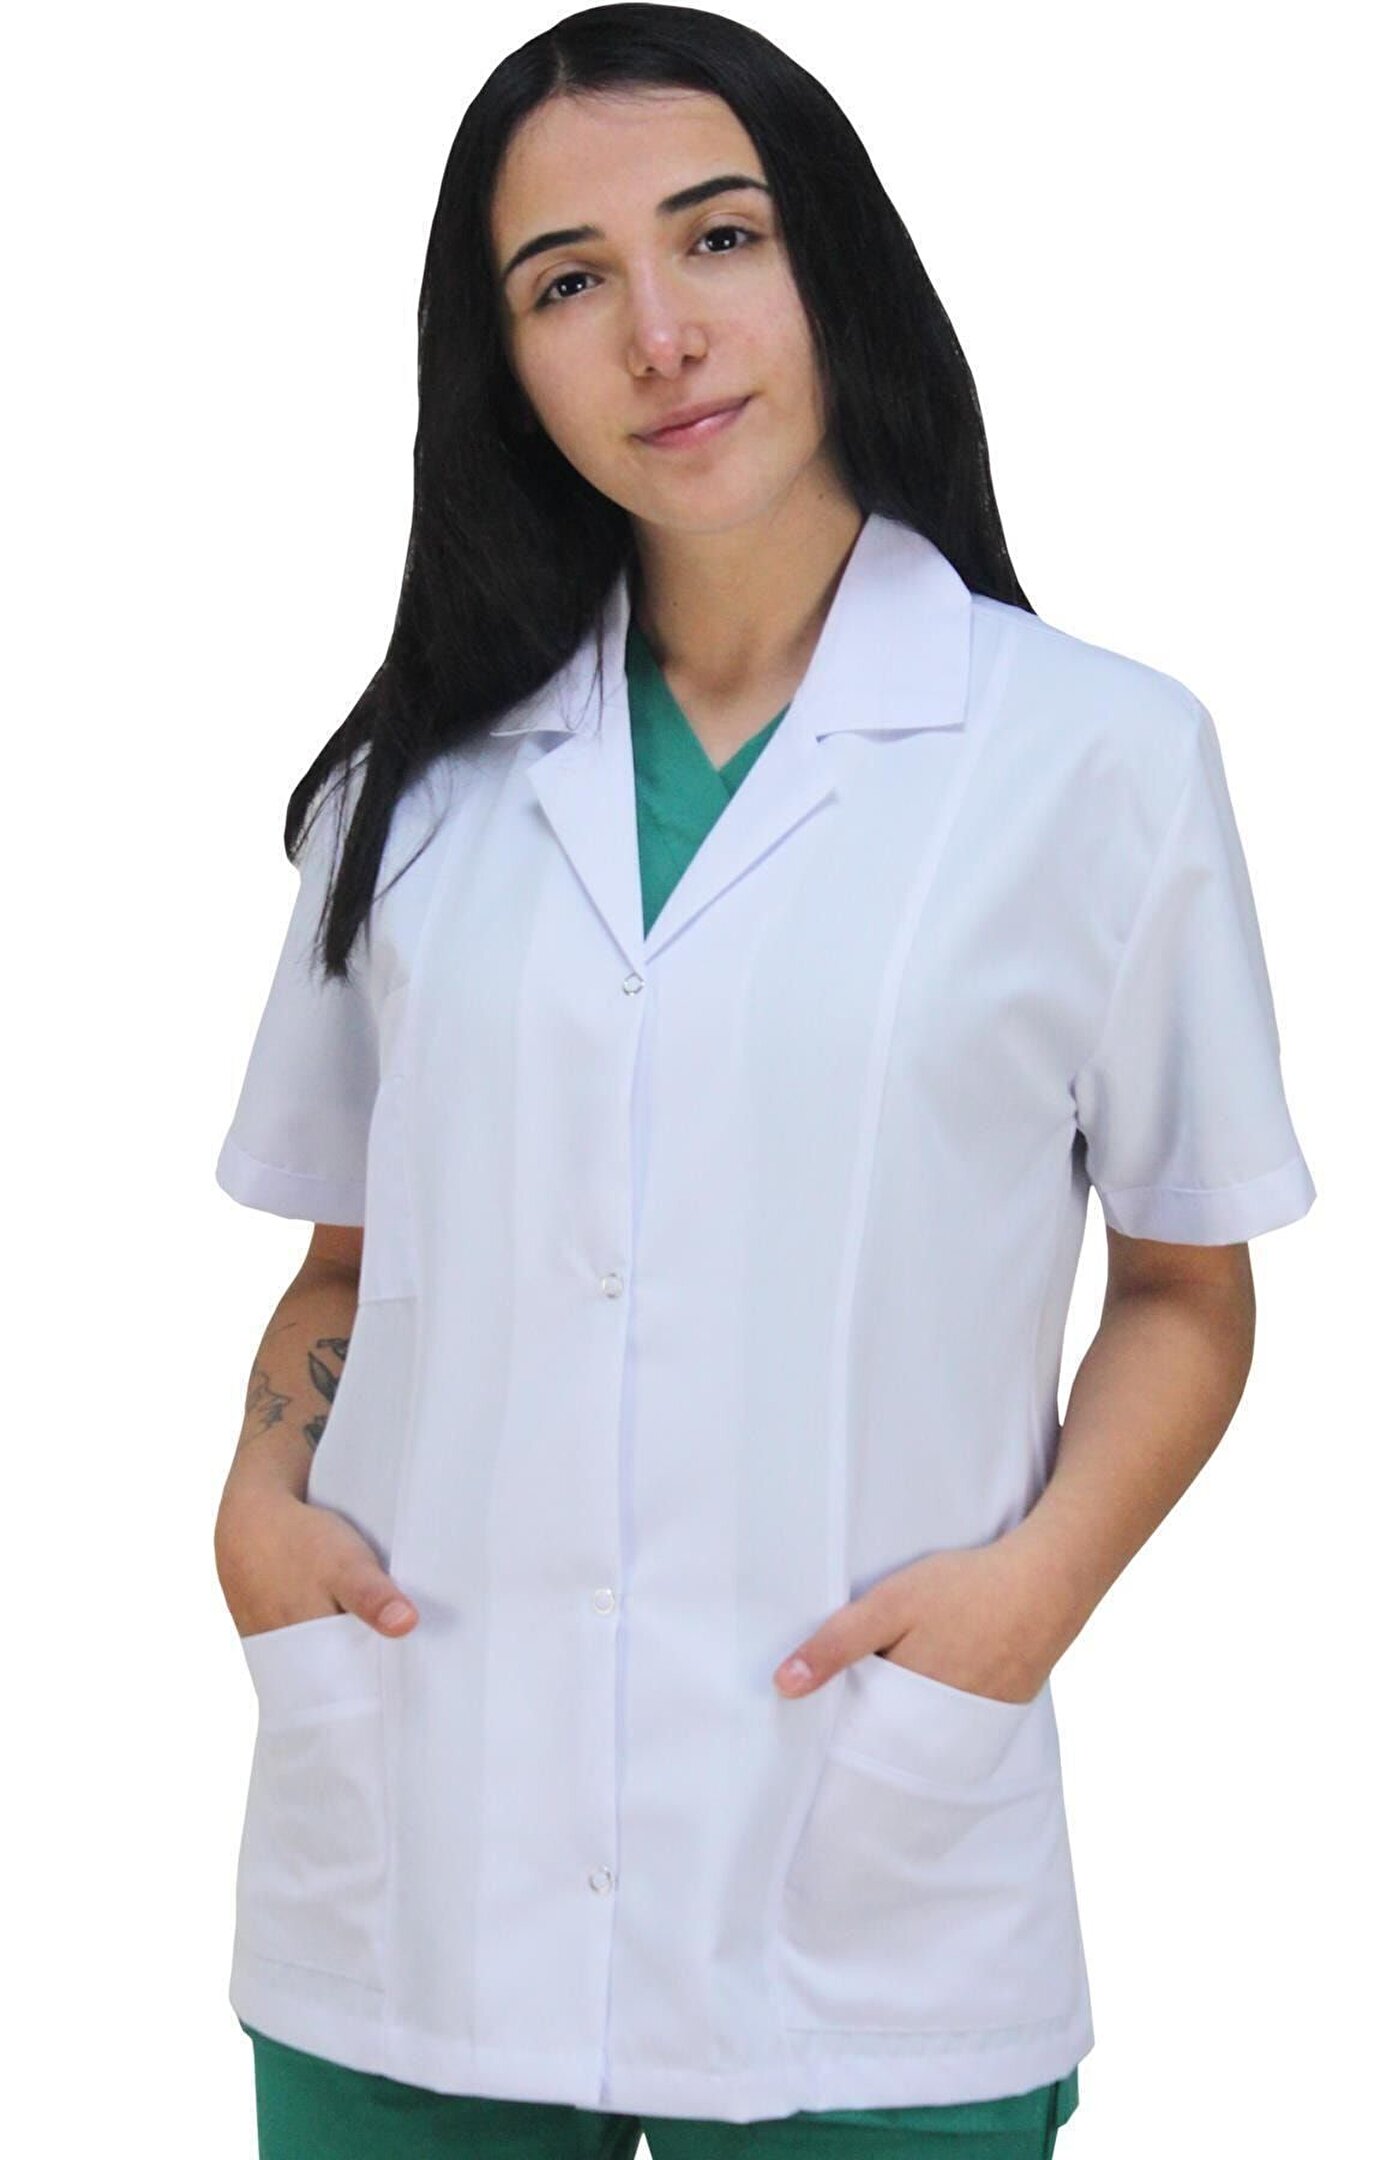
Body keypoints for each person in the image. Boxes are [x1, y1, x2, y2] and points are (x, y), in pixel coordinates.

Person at [211, 8, 1317, 2158]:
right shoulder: (411, 789)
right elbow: (349, 1258)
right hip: (414, 1862)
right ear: (504, 364)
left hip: (870, 1875)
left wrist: (1027, 1604)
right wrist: (260, 1505)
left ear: (837, 264)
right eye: (567, 282)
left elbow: (1189, 1285)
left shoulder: (1098, 759)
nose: (660, 334)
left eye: (720, 236)